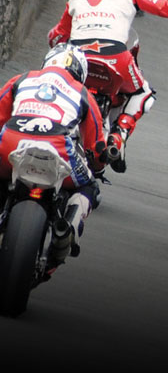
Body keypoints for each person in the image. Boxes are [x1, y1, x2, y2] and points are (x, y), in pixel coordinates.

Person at [48, 0, 168, 173]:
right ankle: (119, 134)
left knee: (55, 85)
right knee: (143, 92)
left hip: (76, 57)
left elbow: (57, 36)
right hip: (115, 56)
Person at [0, 44, 107, 259]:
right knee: (89, 187)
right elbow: (96, 146)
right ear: (81, 72)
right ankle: (67, 229)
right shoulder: (82, 92)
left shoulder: (22, 78)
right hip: (58, 146)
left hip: (12, 141)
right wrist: (97, 163)